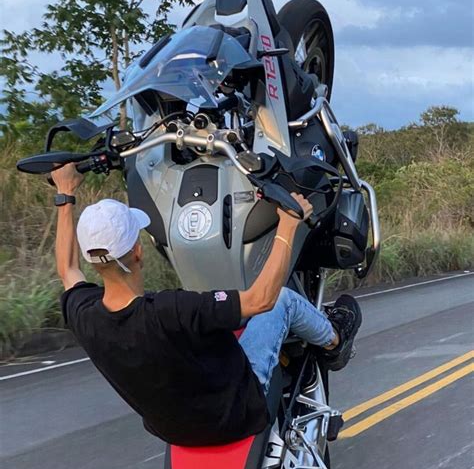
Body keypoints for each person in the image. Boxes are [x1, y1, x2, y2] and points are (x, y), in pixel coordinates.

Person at [53, 162, 361, 446]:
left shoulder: (84, 315)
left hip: (173, 431)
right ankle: (335, 341)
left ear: (92, 258)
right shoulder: (171, 311)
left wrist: (64, 193)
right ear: (137, 251)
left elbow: (67, 269)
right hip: (235, 414)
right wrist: (288, 225)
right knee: (282, 301)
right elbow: (261, 299)